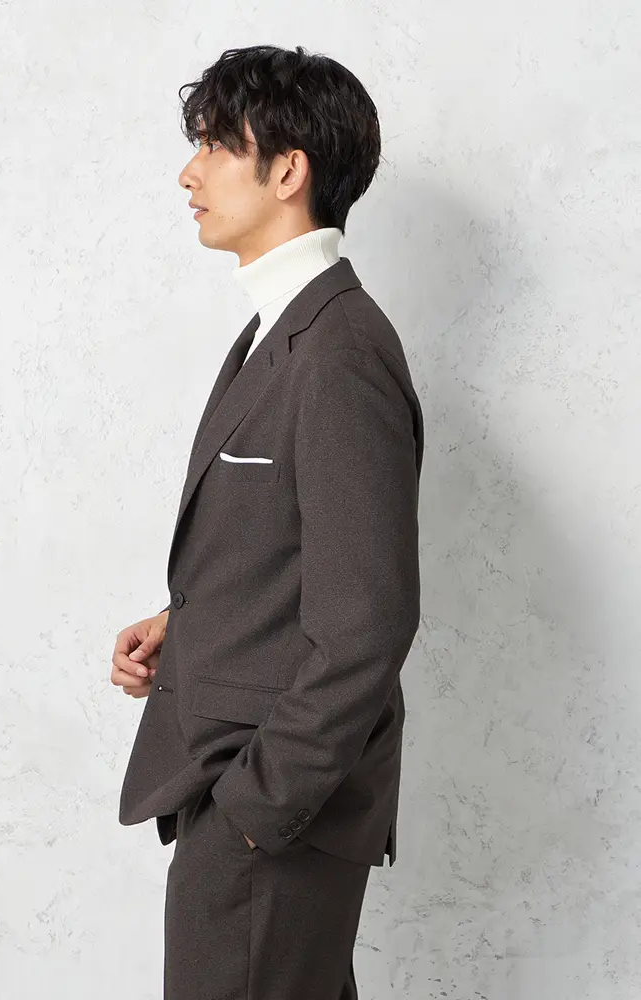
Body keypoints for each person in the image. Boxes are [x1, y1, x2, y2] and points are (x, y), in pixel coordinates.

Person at [110, 43, 424, 1000]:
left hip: (271, 818)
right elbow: (299, 553)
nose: (189, 172)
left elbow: (368, 623)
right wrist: (188, 625)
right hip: (245, 801)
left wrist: (254, 808)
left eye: (215, 144)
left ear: (289, 172)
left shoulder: (338, 350)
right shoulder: (280, 331)